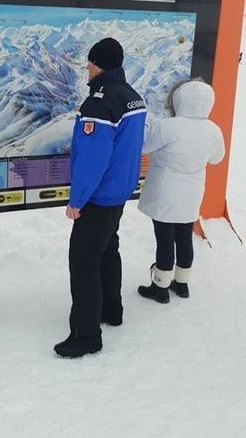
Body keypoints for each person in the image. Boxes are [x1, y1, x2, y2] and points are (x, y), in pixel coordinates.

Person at [54, 38, 146, 358]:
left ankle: (85, 334)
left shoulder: (98, 103)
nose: (87, 69)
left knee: (83, 263)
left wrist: (77, 199)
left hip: (98, 195)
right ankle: (111, 310)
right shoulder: (132, 97)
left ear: (99, 64)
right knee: (107, 250)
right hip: (118, 192)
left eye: (90, 63)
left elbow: (93, 158)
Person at [137, 80, 225, 303]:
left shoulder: (168, 126)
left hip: (165, 190)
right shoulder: (213, 130)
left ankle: (160, 287)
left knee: (164, 238)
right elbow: (217, 159)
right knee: (184, 236)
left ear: (179, 99)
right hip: (192, 190)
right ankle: (182, 284)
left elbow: (144, 147)